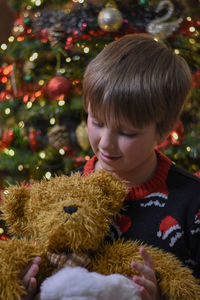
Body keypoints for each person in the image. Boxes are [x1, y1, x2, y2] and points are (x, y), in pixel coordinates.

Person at [22, 33, 200, 299]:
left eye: (127, 133)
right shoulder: (62, 193)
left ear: (163, 132)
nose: (105, 143)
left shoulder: (192, 202)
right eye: (97, 122)